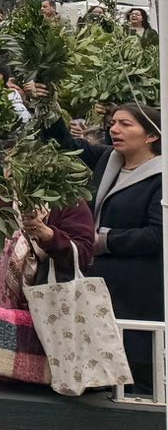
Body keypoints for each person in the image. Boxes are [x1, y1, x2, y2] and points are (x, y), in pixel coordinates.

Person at [52, 102, 162, 389]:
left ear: (152, 136)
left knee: (134, 364)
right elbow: (64, 142)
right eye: (113, 123)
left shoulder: (160, 178)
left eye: (126, 124)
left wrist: (105, 240)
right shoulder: (108, 160)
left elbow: (156, 234)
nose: (115, 129)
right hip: (98, 280)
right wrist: (46, 106)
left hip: (137, 287)